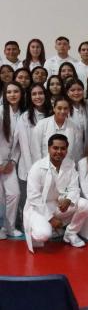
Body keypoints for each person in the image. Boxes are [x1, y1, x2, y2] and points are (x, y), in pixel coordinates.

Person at [24, 134, 88, 252]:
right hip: (39, 207)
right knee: (43, 235)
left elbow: (74, 188)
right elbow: (34, 197)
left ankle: (70, 233)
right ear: (49, 148)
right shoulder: (37, 167)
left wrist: (68, 200)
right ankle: (43, 228)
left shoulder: (70, 164)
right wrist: (50, 219)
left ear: (67, 149)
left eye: (63, 148)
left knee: (84, 205)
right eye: (55, 148)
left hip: (58, 205)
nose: (59, 151)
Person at [14, 83, 52, 226]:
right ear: (29, 97)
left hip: (49, 164)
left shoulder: (51, 114)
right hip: (29, 167)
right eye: (34, 94)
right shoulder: (25, 117)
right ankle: (28, 225)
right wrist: (33, 170)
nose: (38, 97)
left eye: (40, 93)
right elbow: (24, 147)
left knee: (47, 199)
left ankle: (46, 224)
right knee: (30, 199)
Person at [0, 82, 24, 238]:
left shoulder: (23, 114)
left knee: (14, 194)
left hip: (9, 164)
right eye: (9, 92)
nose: (12, 95)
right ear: (4, 95)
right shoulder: (1, 112)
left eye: (16, 91)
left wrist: (12, 162)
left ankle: (9, 227)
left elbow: (19, 145)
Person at [32, 96, 84, 164]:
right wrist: (40, 167)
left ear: (69, 110)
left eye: (65, 108)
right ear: (54, 108)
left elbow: (77, 153)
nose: (62, 111)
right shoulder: (42, 124)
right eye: (59, 108)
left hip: (66, 168)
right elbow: (35, 150)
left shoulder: (75, 128)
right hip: (45, 167)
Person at [65, 78, 88, 147]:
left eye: (79, 90)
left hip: (85, 147)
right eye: (72, 90)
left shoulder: (87, 106)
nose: (76, 93)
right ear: (67, 92)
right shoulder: (64, 108)